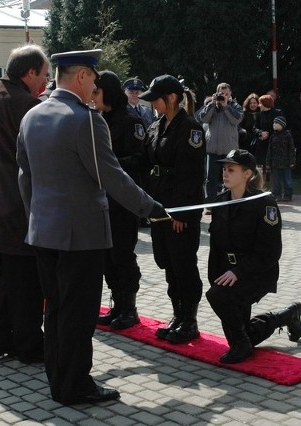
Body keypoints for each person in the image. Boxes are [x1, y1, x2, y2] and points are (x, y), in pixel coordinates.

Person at [16, 49, 166, 405]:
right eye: (94, 79)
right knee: (78, 314)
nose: (95, 87)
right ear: (81, 75)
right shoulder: (85, 119)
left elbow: (24, 176)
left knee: (55, 308)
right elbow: (111, 177)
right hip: (80, 235)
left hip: (43, 232)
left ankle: (59, 378)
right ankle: (75, 385)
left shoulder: (33, 115)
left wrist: (35, 216)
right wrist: (151, 208)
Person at [0, 45, 49, 363]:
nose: (46, 82)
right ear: (29, 73)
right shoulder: (26, 104)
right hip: (18, 208)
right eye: (44, 75)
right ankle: (29, 346)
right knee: (27, 284)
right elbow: (37, 159)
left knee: (8, 281)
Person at [205, 149, 301, 364]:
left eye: (231, 169)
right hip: (229, 273)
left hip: (257, 271)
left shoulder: (264, 203)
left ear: (247, 174)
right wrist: (215, 275)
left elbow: (270, 252)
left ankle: (241, 346)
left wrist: (238, 272)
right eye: (224, 169)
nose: (225, 173)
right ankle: (286, 316)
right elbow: (216, 245)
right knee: (246, 331)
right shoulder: (222, 200)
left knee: (218, 296)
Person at [140, 74, 206, 344]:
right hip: (159, 206)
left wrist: (181, 213)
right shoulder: (156, 127)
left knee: (183, 266)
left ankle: (189, 321)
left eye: (156, 99)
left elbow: (191, 176)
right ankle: (177, 316)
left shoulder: (191, 128)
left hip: (179, 210)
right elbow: (146, 161)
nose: (153, 104)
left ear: (171, 98)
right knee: (167, 263)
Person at [92, 70, 148, 330]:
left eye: (97, 91)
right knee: (106, 258)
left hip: (124, 201)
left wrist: (106, 167)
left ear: (109, 92)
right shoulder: (99, 118)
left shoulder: (130, 121)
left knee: (122, 255)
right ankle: (116, 305)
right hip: (102, 201)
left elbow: (139, 159)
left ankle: (130, 308)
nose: (93, 97)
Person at [198, 82, 243, 201]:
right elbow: (203, 118)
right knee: (210, 179)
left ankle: (228, 201)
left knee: (230, 178)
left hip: (230, 150)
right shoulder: (212, 106)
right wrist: (213, 104)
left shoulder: (235, 106)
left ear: (230, 94)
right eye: (221, 94)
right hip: (212, 149)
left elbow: (236, 120)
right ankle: (210, 204)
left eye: (226, 94)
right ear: (216, 93)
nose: (224, 96)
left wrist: (226, 105)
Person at [266, 116, 295, 202]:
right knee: (276, 180)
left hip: (286, 162)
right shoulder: (273, 136)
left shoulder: (288, 135)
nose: (273, 125)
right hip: (275, 163)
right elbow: (269, 150)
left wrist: (292, 160)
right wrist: (268, 162)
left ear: (282, 125)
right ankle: (276, 194)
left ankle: (288, 195)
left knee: (287, 180)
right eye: (273, 123)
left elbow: (291, 149)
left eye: (276, 123)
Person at [255, 94, 280, 179]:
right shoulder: (259, 114)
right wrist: (261, 133)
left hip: (273, 142)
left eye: (260, 103)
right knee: (260, 163)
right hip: (261, 142)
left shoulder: (277, 113)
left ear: (265, 104)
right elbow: (255, 127)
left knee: (272, 164)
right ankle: (261, 182)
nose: (258, 105)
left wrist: (268, 133)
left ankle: (273, 184)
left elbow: (279, 127)